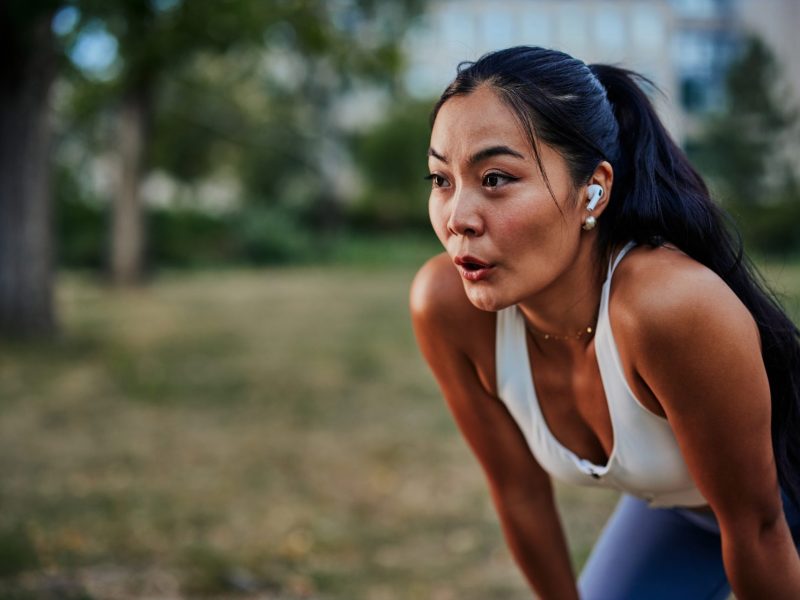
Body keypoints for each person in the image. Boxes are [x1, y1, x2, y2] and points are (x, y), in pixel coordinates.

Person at [410, 46, 800, 599]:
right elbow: (519, 492)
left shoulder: (669, 307)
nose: (458, 219)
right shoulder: (448, 306)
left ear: (593, 188)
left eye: (495, 178)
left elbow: (759, 528)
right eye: (441, 179)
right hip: (685, 518)